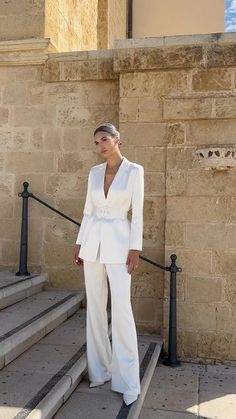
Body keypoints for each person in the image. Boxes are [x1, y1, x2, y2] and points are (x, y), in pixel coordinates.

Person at [74, 123, 144, 406]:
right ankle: (100, 372)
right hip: (92, 245)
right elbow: (88, 211)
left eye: (105, 139)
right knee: (95, 307)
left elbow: (137, 213)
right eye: (96, 142)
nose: (101, 145)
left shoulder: (134, 171)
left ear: (117, 140)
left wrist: (135, 248)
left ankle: (128, 381)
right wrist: (79, 243)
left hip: (119, 244)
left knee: (122, 309)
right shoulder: (94, 173)